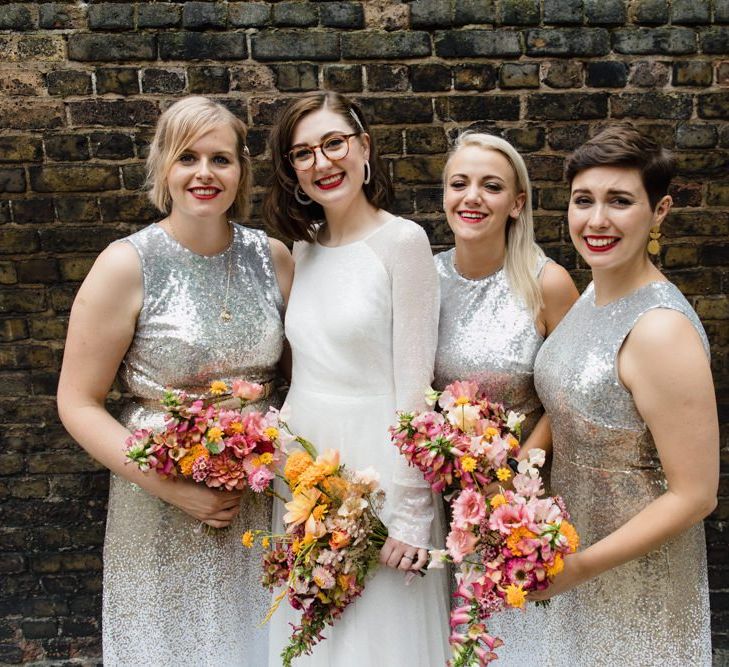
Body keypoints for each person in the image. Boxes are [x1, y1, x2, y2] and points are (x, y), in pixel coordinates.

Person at [57, 96, 294, 666]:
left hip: (261, 497)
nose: (205, 173)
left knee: (265, 641)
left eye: (221, 159)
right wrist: (171, 487)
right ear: (164, 166)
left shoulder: (276, 259)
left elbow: (300, 382)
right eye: (188, 157)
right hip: (158, 494)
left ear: (242, 170)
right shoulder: (127, 264)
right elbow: (77, 401)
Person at [263, 91, 449, 666]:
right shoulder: (304, 247)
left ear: (364, 147)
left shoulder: (403, 242)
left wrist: (412, 514)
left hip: (382, 472)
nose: (321, 162)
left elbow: (417, 388)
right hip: (306, 471)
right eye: (303, 153)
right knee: (313, 638)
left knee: (380, 640)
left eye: (333, 143)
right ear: (292, 169)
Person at [532, 125, 717, 665]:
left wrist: (582, 566)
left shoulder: (660, 330)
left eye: (619, 201)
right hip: (572, 556)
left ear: (658, 212)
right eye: (583, 200)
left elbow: (696, 494)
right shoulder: (592, 293)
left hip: (637, 579)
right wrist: (519, 464)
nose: (596, 221)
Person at [433, 131, 578, 662]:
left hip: (520, 493)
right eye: (459, 183)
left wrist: (521, 465)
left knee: (510, 639)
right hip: (441, 494)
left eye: (490, 186)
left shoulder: (548, 283)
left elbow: (572, 395)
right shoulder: (424, 280)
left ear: (516, 204)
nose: (472, 197)